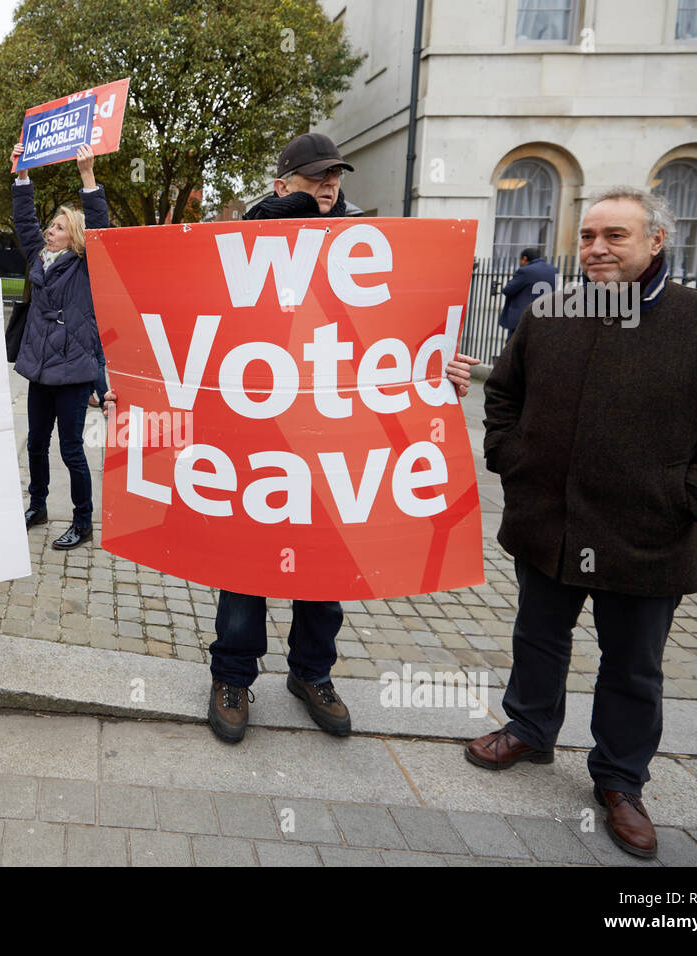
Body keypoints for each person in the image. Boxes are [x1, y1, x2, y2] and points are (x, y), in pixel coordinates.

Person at [468, 187, 697, 859]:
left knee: (633, 667)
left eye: (615, 235)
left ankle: (619, 780)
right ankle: (528, 729)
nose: (597, 249)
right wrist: (509, 457)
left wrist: (689, 497)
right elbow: (505, 395)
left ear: (656, 242)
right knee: (539, 636)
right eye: (587, 237)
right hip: (548, 523)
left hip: (646, 535)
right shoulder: (550, 313)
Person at [179, 132, 477, 744]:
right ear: (281, 183)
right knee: (244, 570)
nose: (329, 184)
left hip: (336, 445)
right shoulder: (236, 242)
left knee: (327, 570)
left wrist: (437, 368)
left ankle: (312, 674)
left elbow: (398, 335)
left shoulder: (371, 252)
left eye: (335, 175)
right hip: (254, 440)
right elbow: (187, 333)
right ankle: (232, 675)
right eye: (315, 176)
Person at [9, 141, 113, 551]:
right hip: (39, 370)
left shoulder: (88, 263)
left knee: (71, 449)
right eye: (50, 226)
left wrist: (88, 175)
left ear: (75, 238)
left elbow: (101, 226)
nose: (49, 231)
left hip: (72, 372)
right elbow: (23, 220)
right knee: (36, 443)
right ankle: (38, 505)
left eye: (58, 227)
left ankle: (83, 520)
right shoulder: (38, 259)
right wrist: (22, 174)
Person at [498, 246, 556, 342]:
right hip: (543, 317)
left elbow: (508, 290)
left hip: (522, 318)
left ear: (524, 259)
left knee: (514, 347)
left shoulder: (525, 271)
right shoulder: (553, 270)